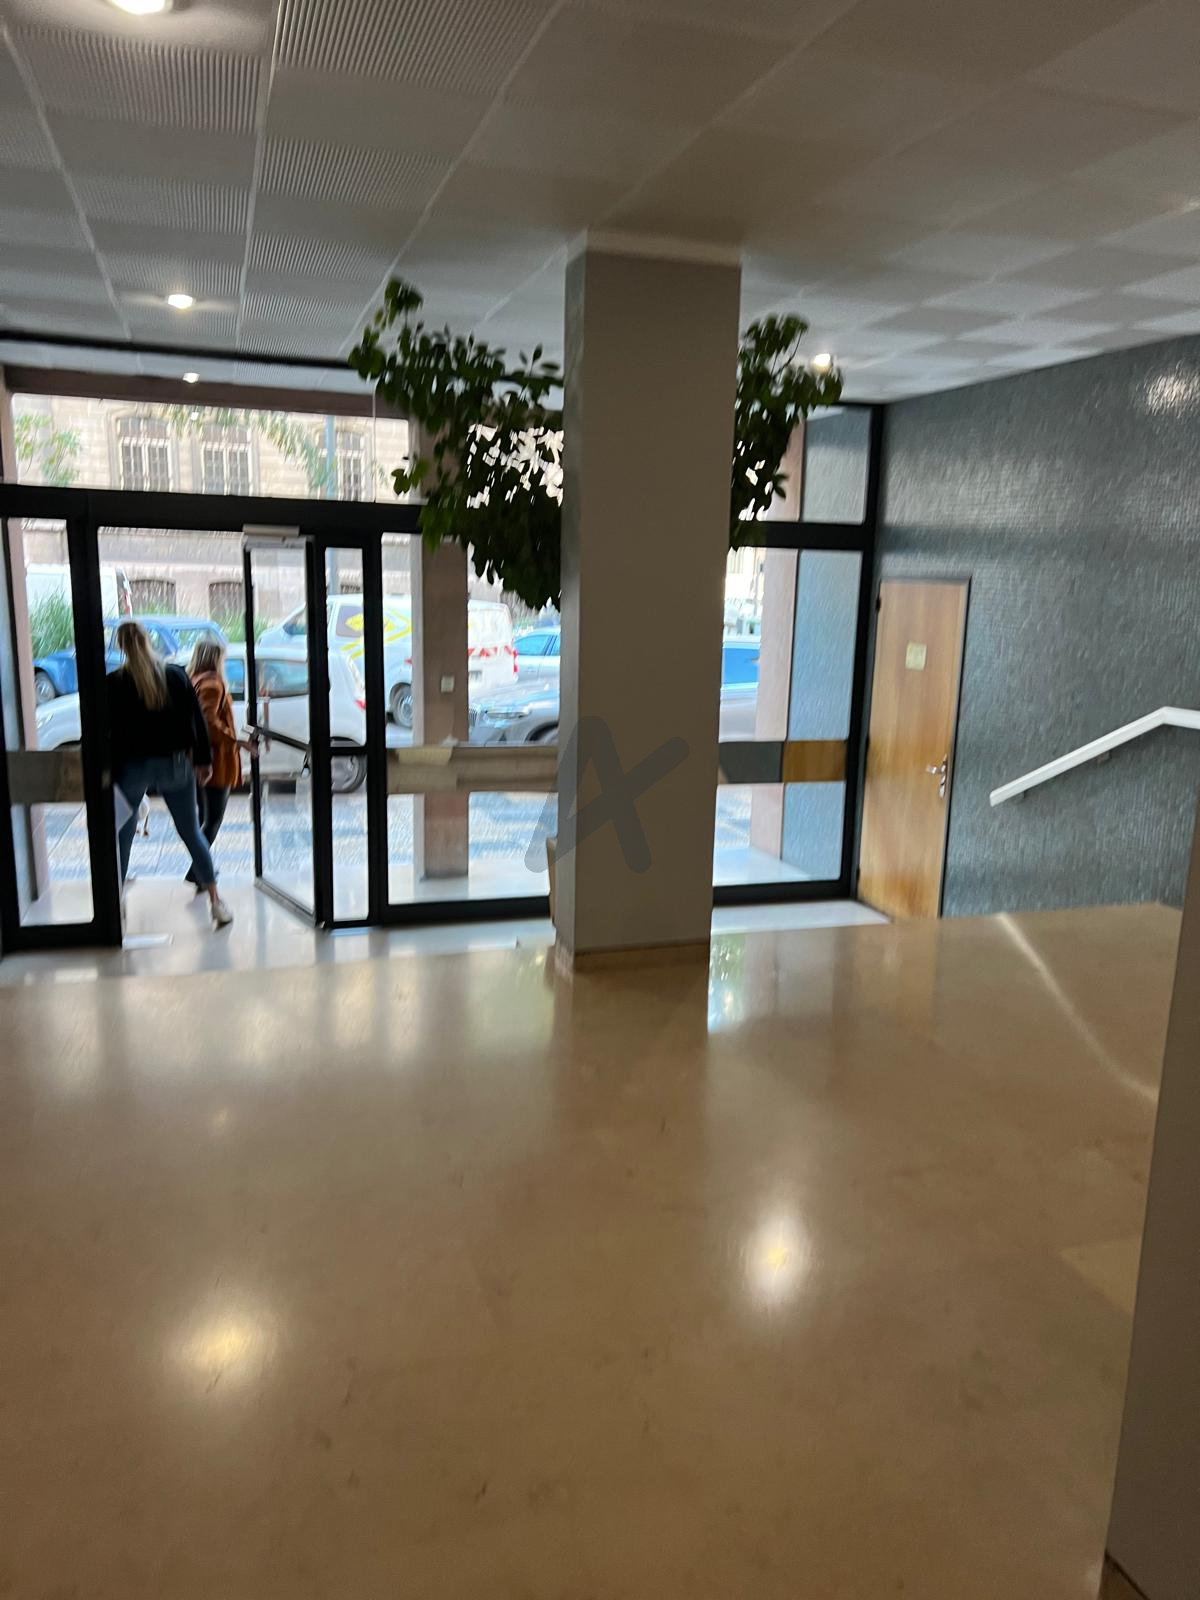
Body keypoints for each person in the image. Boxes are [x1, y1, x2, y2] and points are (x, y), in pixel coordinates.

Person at [107, 620, 233, 929]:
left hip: (131, 766)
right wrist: (203, 761)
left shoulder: (114, 683)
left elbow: (105, 729)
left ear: (121, 646)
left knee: (123, 832)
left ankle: (116, 900)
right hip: (175, 764)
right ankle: (216, 902)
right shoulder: (174, 675)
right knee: (191, 832)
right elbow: (196, 721)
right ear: (148, 640)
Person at [186, 639, 243, 890]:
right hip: (216, 763)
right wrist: (235, 739)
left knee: (204, 818)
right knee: (212, 821)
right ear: (215, 659)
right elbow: (208, 723)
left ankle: (201, 870)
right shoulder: (212, 684)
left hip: (199, 761)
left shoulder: (194, 680)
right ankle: (198, 871)